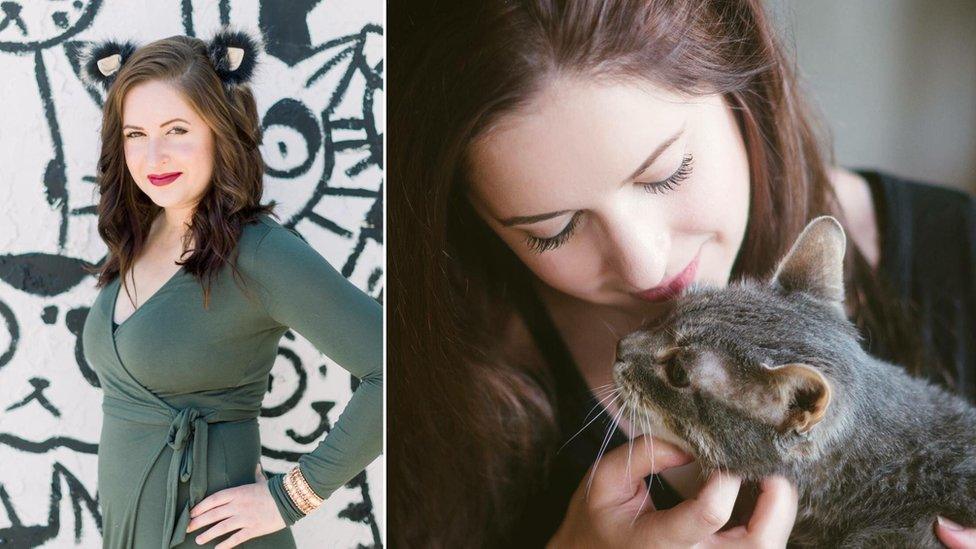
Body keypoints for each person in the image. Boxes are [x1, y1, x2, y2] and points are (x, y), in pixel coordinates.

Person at [388, 1, 976, 547]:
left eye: (666, 174)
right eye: (554, 229)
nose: (645, 264)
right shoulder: (415, 364)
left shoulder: (958, 248)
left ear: (736, 77)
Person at [79, 27, 382, 548]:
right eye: (135, 134)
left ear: (219, 130)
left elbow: (393, 363)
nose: (153, 157)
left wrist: (293, 496)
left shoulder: (260, 252)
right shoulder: (142, 234)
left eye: (176, 130)